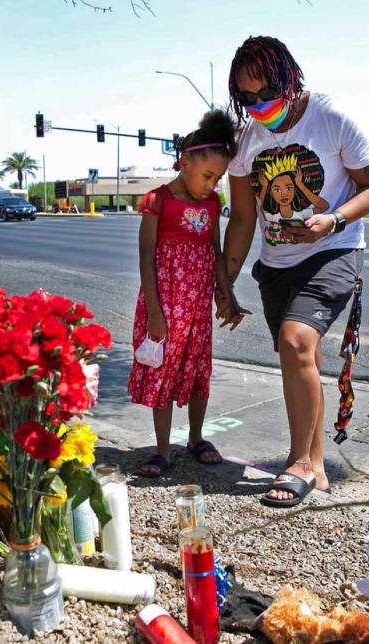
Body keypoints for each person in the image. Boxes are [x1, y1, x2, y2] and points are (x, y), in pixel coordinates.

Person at [220, 36, 369, 507]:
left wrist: (332, 219)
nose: (257, 107)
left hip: (333, 250)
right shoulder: (247, 140)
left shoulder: (334, 119)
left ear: (289, 81)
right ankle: (315, 467)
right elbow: (244, 217)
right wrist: (226, 283)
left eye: (265, 94)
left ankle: (295, 463)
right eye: (246, 98)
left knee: (296, 343)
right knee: (303, 361)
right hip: (276, 264)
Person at [128, 109, 249, 477]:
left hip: (196, 306)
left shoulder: (211, 204)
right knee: (162, 371)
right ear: (184, 162)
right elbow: (146, 256)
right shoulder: (157, 200)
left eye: (219, 179)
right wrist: (154, 311)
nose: (212, 185)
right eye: (208, 175)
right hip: (164, 303)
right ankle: (162, 450)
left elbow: (214, 251)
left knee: (199, 369)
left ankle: (197, 438)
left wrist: (226, 294)